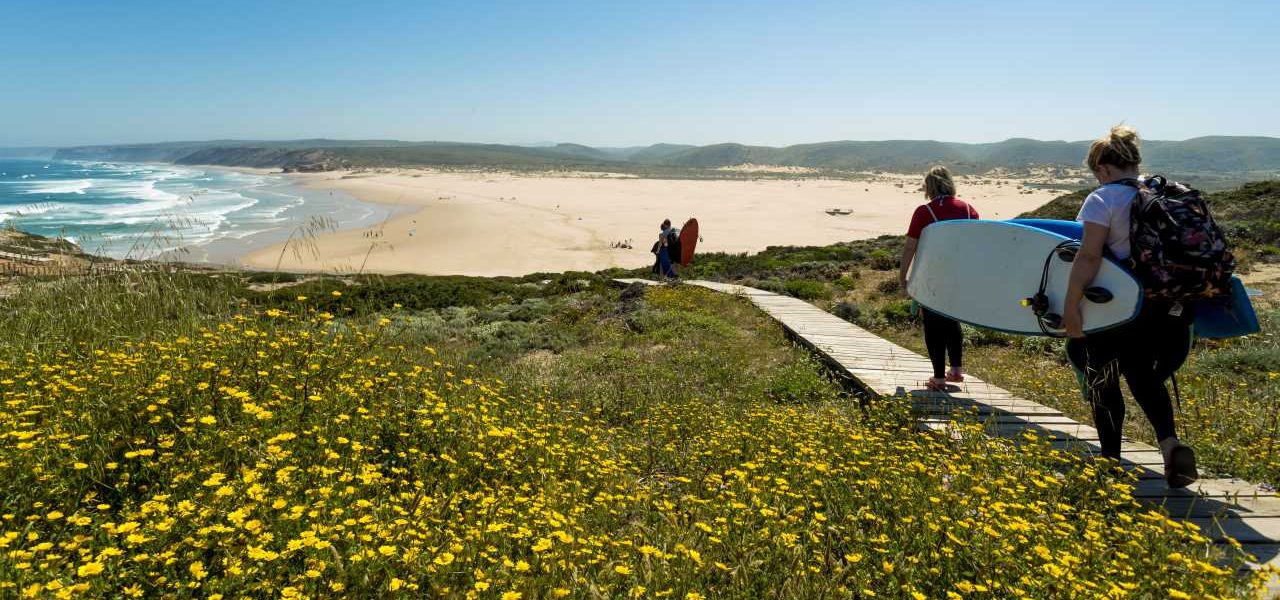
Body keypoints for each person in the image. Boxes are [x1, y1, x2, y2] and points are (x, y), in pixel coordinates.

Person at [1061, 124, 1197, 488]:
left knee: (1103, 379)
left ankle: (1109, 463)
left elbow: (1088, 257)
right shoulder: (1166, 193)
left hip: (1118, 308)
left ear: (1103, 169)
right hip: (1163, 307)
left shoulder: (1102, 198)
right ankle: (1170, 446)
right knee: (1142, 375)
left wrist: (1071, 306)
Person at [899, 166, 979, 391]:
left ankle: (938, 378)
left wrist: (902, 275)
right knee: (953, 321)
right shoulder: (968, 210)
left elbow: (910, 247)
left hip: (933, 276)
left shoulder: (924, 212)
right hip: (959, 276)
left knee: (933, 326)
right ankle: (955, 371)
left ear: (929, 187)